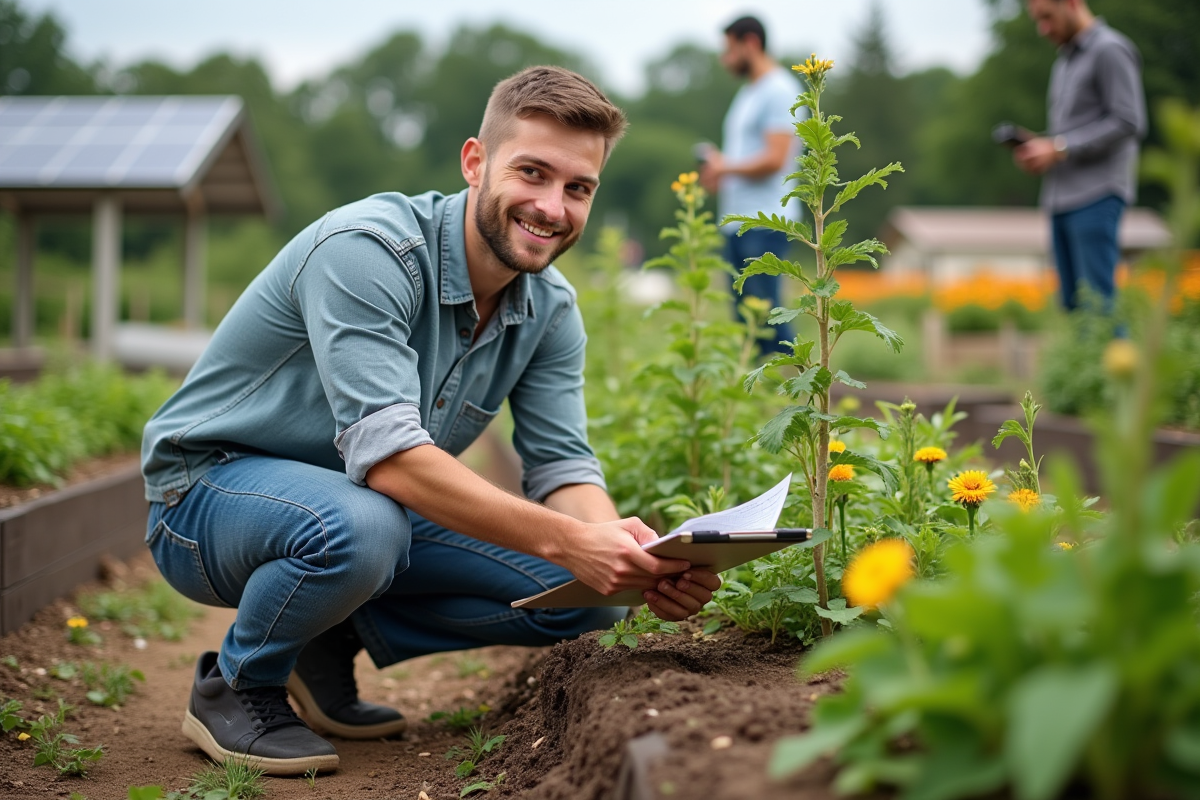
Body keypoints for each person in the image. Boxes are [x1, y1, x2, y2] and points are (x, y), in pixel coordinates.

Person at [140, 65, 721, 776]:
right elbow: (390, 461)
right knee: (362, 527)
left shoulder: (550, 309)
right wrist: (572, 543)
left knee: (590, 605)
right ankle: (236, 684)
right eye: (532, 173)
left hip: (359, 508)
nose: (552, 207)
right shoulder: (371, 252)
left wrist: (627, 558)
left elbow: (562, 466)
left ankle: (320, 640)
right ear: (475, 162)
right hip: (206, 497)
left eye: (578, 188)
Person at [1015, 0, 1145, 312]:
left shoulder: (1110, 49)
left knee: (1098, 305)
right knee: (1072, 308)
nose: (1043, 29)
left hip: (1096, 195)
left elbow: (1129, 121)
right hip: (1060, 198)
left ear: (1072, 4)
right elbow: (1071, 134)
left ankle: (1116, 362)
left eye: (1047, 17)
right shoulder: (1064, 61)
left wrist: (1059, 147)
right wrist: (1043, 148)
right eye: (1038, 20)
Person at [699, 15, 803, 351]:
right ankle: (762, 396)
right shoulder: (750, 93)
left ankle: (796, 392)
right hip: (739, 220)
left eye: (729, 49)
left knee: (767, 317)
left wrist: (725, 167)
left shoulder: (779, 89)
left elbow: (776, 158)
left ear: (751, 43)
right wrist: (721, 170)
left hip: (765, 220)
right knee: (747, 319)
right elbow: (746, 156)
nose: (724, 58)